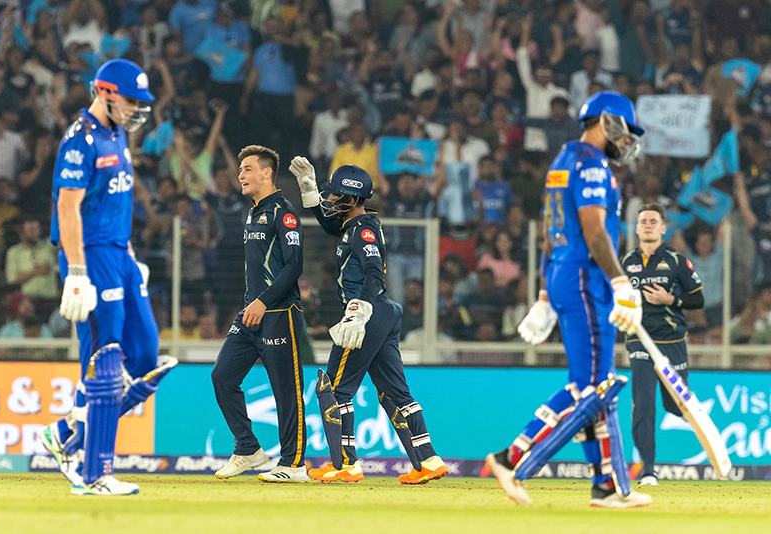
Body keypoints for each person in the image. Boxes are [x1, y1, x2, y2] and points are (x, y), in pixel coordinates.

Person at [486, 91, 652, 507]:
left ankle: (605, 485)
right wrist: (620, 282)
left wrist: (545, 293)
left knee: (595, 384)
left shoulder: (561, 161)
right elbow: (594, 230)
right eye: (626, 131)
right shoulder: (593, 165)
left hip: (564, 274)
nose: (628, 141)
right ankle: (512, 457)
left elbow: (548, 231)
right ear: (608, 121)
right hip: (585, 278)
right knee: (591, 387)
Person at [39, 59, 177, 496]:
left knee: (146, 352)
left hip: (118, 253)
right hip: (91, 256)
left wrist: (130, 254)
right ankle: (92, 473)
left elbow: (116, 203)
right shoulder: (79, 139)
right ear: (105, 92)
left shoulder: (117, 134)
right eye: (131, 100)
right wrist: (77, 272)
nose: (137, 108)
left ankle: (67, 433)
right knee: (106, 358)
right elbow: (67, 207)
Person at [290, 157, 448, 484]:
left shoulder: (362, 230)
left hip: (366, 314)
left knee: (333, 389)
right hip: (382, 313)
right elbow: (330, 226)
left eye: (334, 195)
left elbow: (374, 269)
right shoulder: (356, 225)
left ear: (351, 198)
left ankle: (345, 464)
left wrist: (359, 309)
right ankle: (428, 461)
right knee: (394, 393)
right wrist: (310, 194)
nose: (330, 198)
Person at [210, 145, 308, 483]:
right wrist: (254, 302)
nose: (240, 175)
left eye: (247, 169)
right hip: (251, 312)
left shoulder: (284, 212)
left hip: (279, 312)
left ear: (267, 173)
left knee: (286, 391)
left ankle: (293, 465)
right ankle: (248, 448)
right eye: (240, 169)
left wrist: (263, 301)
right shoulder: (253, 213)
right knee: (222, 377)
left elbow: (294, 265)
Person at [621, 204, 703, 486]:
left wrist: (671, 300)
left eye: (653, 221)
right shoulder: (625, 262)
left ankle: (692, 409)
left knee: (674, 405)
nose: (647, 225)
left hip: (672, 341)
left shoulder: (677, 261)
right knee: (643, 403)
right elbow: (612, 298)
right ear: (636, 228)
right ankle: (648, 471)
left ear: (663, 228)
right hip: (640, 340)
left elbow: (697, 300)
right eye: (643, 221)